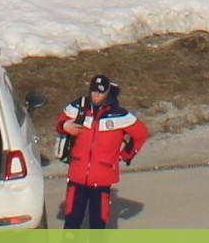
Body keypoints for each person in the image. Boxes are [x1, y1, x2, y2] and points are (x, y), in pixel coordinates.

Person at [58, 77, 145, 229]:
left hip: (102, 177)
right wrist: (65, 126)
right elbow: (59, 123)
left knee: (98, 221)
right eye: (93, 91)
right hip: (77, 174)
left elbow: (141, 134)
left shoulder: (120, 115)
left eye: (100, 92)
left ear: (107, 93)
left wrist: (126, 154)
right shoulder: (78, 107)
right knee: (72, 218)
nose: (96, 95)